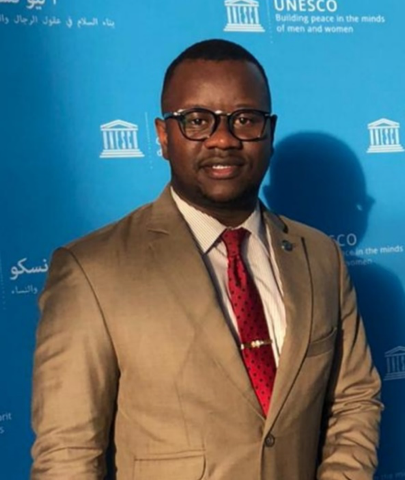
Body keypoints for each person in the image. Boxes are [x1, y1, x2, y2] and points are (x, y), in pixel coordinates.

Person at [31, 39, 382, 480]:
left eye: (245, 120)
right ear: (163, 136)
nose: (223, 139)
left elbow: (354, 400)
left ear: (269, 132)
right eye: (196, 120)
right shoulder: (91, 270)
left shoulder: (320, 256)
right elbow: (68, 455)